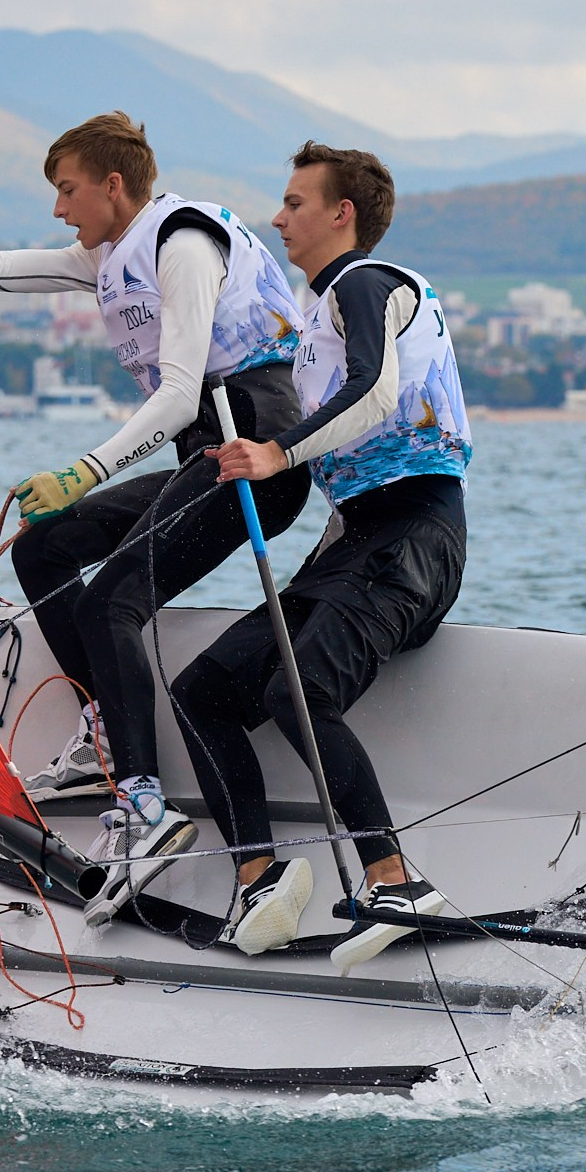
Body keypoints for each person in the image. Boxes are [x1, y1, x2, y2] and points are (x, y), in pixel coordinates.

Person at [0, 114, 310, 926]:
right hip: (203, 455)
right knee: (46, 548)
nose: (58, 210)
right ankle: (105, 732)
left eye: (67, 190)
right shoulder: (111, 253)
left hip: (255, 453)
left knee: (113, 597)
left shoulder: (180, 244)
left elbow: (180, 392)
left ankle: (145, 806)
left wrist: (85, 469)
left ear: (114, 185)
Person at [170, 141, 472, 967]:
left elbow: (373, 393)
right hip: (353, 542)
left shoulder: (363, 283)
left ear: (342, 214)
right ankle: (262, 879)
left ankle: (395, 879)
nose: (278, 216)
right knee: (204, 688)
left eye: (295, 202)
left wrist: (276, 453)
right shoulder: (317, 314)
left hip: (414, 536)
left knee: (297, 689)